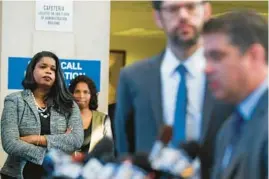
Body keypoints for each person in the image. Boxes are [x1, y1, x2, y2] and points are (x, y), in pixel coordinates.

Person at [114, 1, 234, 178]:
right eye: (173, 9)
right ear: (158, 17)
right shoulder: (133, 78)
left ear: (207, 11)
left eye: (191, 7)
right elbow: (125, 151)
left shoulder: (229, 76)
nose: (183, 15)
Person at [203, 10, 268, 179]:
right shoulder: (228, 128)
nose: (206, 68)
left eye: (217, 56)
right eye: (206, 58)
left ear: (254, 56)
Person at [0, 51, 84, 179]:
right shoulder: (14, 100)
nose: (48, 71)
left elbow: (76, 140)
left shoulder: (69, 105)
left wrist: (35, 139)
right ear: (32, 70)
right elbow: (10, 143)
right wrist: (50, 154)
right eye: (43, 66)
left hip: (57, 175)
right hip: (16, 175)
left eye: (53, 69)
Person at [69, 75, 113, 154]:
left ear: (91, 95)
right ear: (71, 94)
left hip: (95, 165)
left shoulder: (103, 119)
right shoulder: (63, 118)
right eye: (77, 91)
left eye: (85, 92)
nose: (81, 96)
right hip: (67, 165)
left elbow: (109, 150)